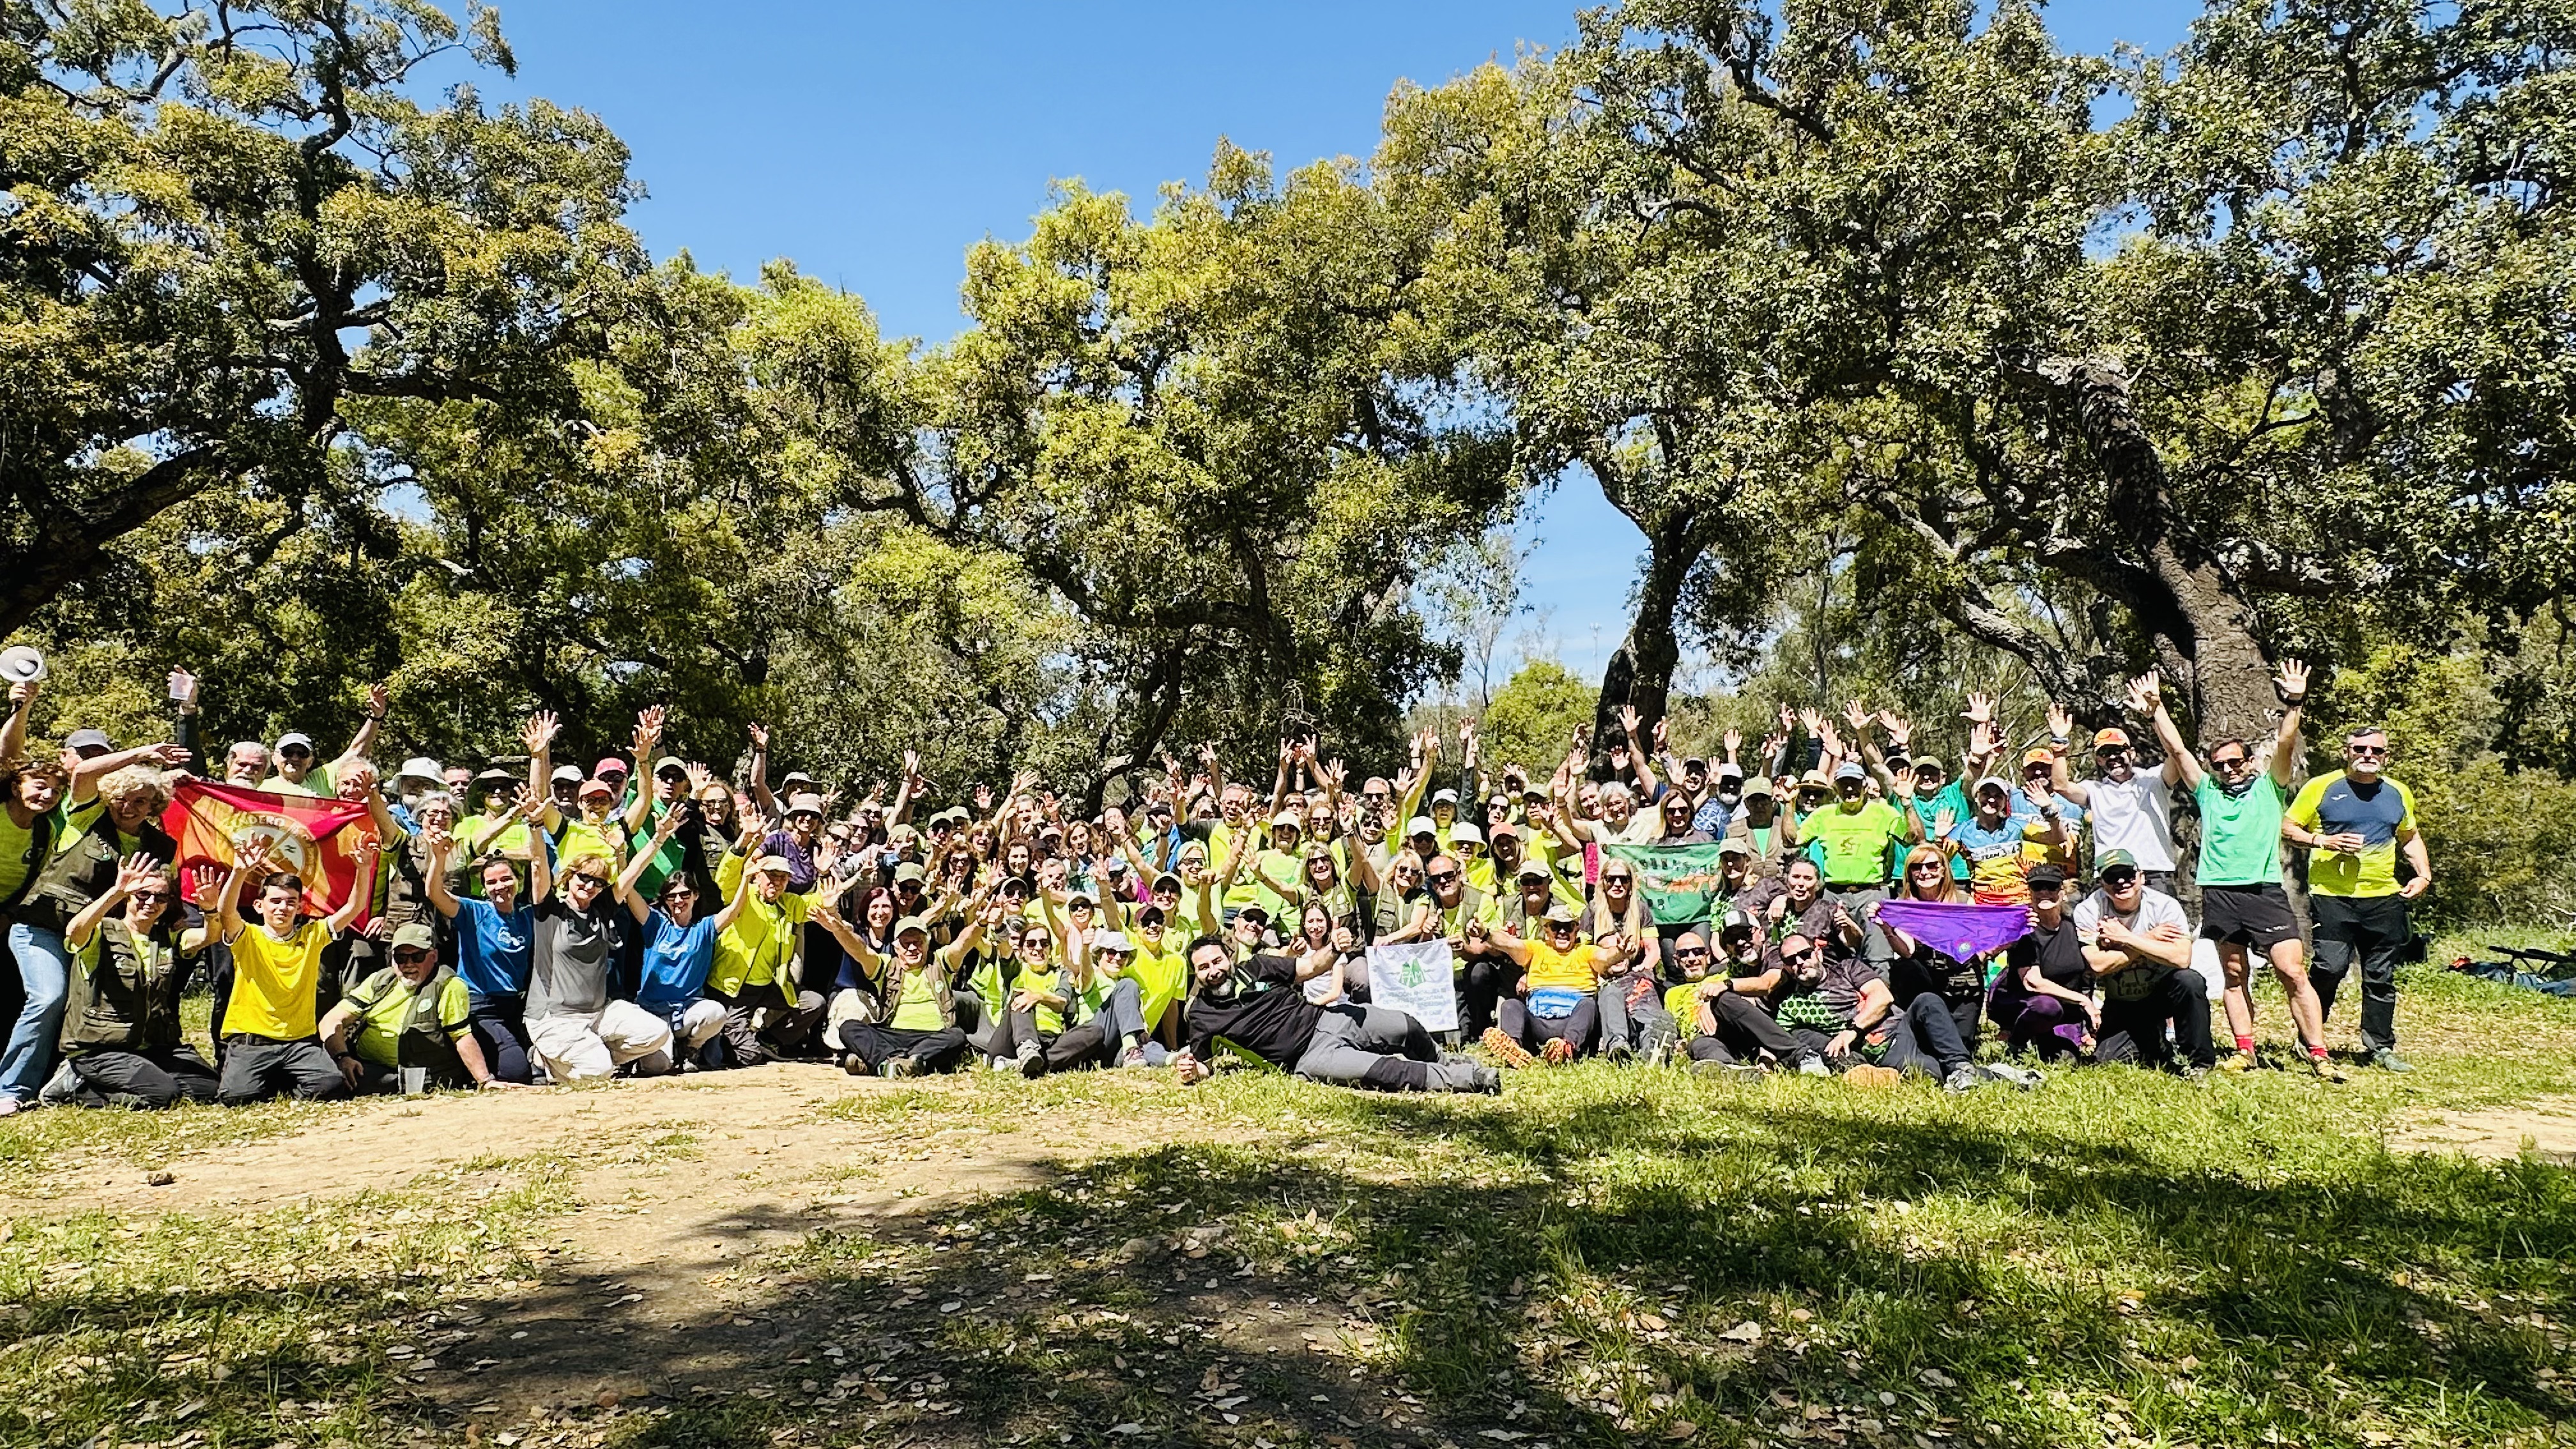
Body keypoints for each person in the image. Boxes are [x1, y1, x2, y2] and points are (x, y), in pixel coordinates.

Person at [2134, 663, 2333, 1075]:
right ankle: (2246, 1050)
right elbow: (2178, 752)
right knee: (2234, 973)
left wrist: (2295, 701)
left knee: (2292, 971)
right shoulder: (2208, 792)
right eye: (2220, 764)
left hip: (2264, 890)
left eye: (2235, 762)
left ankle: (2318, 1052)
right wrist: (2156, 709)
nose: (2228, 769)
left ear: (2249, 761)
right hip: (2220, 892)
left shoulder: (2269, 788)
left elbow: (2286, 741)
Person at [1171, 934, 1498, 1093]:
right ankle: (1470, 1079)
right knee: (1388, 1072)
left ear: (1229, 958)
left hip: (1330, 1017)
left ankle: (1444, 1061)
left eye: (1217, 961)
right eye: (1203, 967)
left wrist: (1335, 948)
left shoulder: (1257, 966)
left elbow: (1311, 966)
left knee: (1405, 1025)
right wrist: (1192, 1071)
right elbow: (1204, 1064)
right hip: (1310, 1058)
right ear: (1195, 973)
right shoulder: (1201, 1014)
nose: (1213, 971)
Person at [2284, 724, 2430, 1072]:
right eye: (2360, 749)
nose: (2368, 755)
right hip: (2332, 896)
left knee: (2380, 974)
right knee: (2329, 968)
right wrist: (2324, 841)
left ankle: (2380, 1047)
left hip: (2383, 896)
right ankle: (2310, 1041)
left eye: (2376, 750)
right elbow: (2287, 828)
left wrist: (2423, 874)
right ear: (2346, 752)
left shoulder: (2398, 792)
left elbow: (2409, 836)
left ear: (2386, 756)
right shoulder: (2321, 787)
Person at [44, 855, 218, 1108]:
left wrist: (211, 910)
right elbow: (74, 932)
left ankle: (149, 1078)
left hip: (152, 1046)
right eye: (143, 895)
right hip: (101, 1048)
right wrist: (117, 891)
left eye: (160, 897)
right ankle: (75, 1085)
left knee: (209, 1089)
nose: (151, 903)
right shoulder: (101, 932)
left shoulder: (167, 937)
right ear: (129, 897)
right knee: (162, 1096)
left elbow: (209, 937)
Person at [211, 839, 371, 1104]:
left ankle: (283, 1079)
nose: (282, 908)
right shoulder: (247, 936)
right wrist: (239, 872)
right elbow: (225, 912)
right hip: (252, 1043)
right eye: (275, 901)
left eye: (290, 902)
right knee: (237, 1098)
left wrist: (363, 869)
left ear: (299, 908)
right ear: (259, 906)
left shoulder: (313, 936)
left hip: (300, 1043)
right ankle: (264, 1078)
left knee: (331, 1086)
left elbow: (354, 908)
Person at [523, 832, 675, 1082]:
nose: (590, 886)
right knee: (600, 1071)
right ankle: (548, 1062)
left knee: (657, 1033)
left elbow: (634, 872)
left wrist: (659, 838)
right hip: (553, 1018)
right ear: (570, 876)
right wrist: (536, 826)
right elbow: (538, 864)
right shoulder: (549, 911)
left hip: (598, 1013)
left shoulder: (602, 910)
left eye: (599, 882)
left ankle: (585, 1057)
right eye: (584, 878)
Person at [424, 802, 546, 1084]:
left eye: (506, 879)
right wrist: (439, 858)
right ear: (484, 888)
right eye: (492, 882)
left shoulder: (527, 914)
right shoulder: (473, 912)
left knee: (540, 1069)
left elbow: (540, 866)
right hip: (481, 1004)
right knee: (518, 1073)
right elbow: (435, 893)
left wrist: (535, 825)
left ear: (518, 880)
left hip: (516, 1005)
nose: (500, 886)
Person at [319, 923, 521, 1094]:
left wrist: (485, 1081)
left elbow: (461, 1036)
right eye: (400, 958)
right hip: (369, 1069)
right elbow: (331, 1021)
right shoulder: (380, 980)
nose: (408, 964)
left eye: (417, 957)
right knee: (328, 1082)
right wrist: (343, 1058)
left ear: (433, 956)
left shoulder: (448, 985)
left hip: (423, 1078)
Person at [618, 822, 755, 1071]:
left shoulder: (704, 929)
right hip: (652, 1013)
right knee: (657, 1068)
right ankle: (660, 1052)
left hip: (687, 1012)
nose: (678, 900)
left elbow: (735, 911)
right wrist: (620, 855)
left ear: (696, 896)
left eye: (684, 894)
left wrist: (746, 877)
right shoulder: (654, 924)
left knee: (715, 1013)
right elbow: (628, 892)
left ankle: (690, 1048)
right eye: (671, 896)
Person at [2076, 851, 2214, 1076]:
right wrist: (2150, 939)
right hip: (2122, 1001)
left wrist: (2126, 938)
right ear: (2102, 883)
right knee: (2108, 1061)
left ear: (2141, 876)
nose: (2122, 882)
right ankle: (2156, 1042)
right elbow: (2098, 966)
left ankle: (2199, 1062)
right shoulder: (2089, 910)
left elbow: (2182, 958)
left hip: (2162, 994)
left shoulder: (2164, 906)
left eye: (2128, 875)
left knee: (2190, 981)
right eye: (2112, 877)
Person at [1873, 844, 1990, 1050]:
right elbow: (1907, 951)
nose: (1925, 872)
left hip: (1963, 981)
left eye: (1932, 866)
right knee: (1903, 967)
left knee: (1961, 1046)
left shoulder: (1964, 902)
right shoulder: (1903, 906)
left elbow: (1979, 945)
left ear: (1944, 869)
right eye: (1917, 867)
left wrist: (2018, 927)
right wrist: (1887, 929)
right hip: (1926, 981)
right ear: (1909, 873)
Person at [1788, 761, 1908, 963]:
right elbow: (1792, 840)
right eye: (1844, 784)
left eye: (1855, 783)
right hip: (1834, 895)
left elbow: (1913, 837)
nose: (1850, 788)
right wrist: (1789, 805)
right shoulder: (1823, 815)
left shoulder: (1884, 812)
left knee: (1878, 959)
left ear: (1865, 786)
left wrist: (1907, 803)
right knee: (1830, 956)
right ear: (1836, 788)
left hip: (1872, 894)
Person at [2048, 707, 2177, 893]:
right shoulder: (2094, 790)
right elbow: (2061, 786)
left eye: (2118, 750)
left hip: (2154, 873)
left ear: (2132, 753)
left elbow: (2176, 754)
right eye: (2105, 753)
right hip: (2110, 874)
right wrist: (2059, 743)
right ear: (2099, 761)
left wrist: (2156, 714)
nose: (2113, 757)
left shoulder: (2155, 780)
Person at [1984, 864, 2095, 1062]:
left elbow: (2088, 972)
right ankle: (2016, 1043)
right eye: (2037, 887)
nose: (2044, 892)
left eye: (2051, 887)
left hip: (2066, 1008)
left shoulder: (2074, 925)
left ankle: (2046, 1038)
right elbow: (2033, 982)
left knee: (2066, 1061)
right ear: (2030, 892)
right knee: (2047, 1007)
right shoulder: (2024, 929)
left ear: (2062, 892)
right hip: (2026, 1003)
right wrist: (2083, 1000)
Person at [1480, 904, 1604, 1067]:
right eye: (1556, 927)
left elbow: (1606, 956)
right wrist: (1485, 934)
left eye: (1568, 926)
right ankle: (1513, 1048)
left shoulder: (1586, 951)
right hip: (1537, 1022)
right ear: (1546, 929)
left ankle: (1566, 1049)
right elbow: (1509, 944)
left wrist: (1621, 952)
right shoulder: (1537, 948)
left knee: (1588, 1005)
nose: (1562, 932)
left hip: (1571, 1022)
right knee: (1511, 1005)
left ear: (1576, 929)